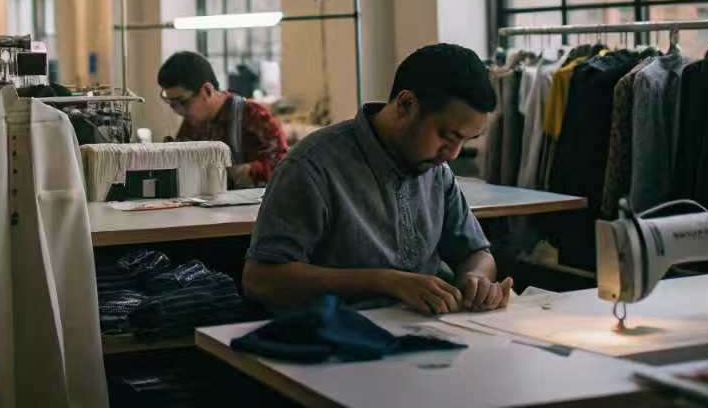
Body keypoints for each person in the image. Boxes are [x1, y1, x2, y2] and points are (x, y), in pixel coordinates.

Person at [242, 43, 514, 315]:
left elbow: (477, 253)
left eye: (466, 140)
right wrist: (387, 282)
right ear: (406, 104)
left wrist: (477, 278)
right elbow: (261, 279)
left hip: (428, 331)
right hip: (341, 338)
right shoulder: (313, 166)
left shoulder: (437, 171)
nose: (452, 154)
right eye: (447, 135)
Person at [158, 51, 288, 189]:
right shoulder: (192, 123)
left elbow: (283, 167)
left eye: (182, 102)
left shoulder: (252, 115)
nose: (178, 111)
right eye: (171, 104)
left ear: (207, 90)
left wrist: (242, 172)